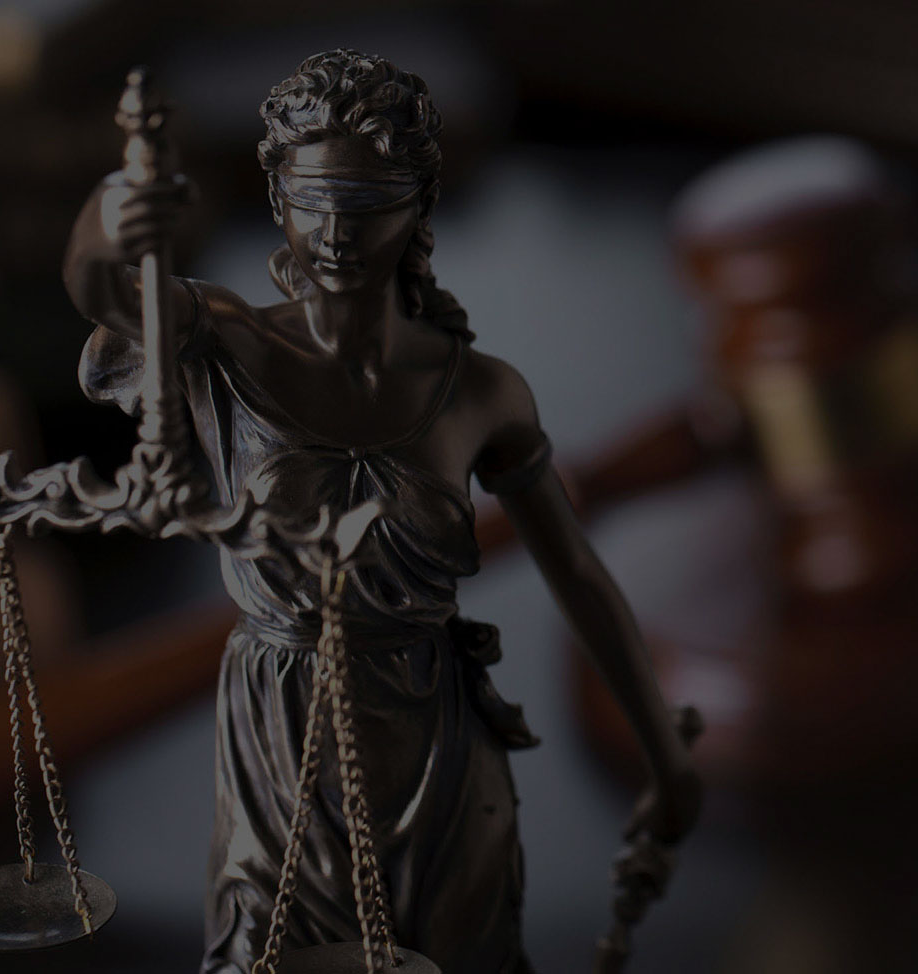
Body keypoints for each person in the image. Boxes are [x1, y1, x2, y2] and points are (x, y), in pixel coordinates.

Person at [61, 49, 701, 974]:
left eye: (367, 204)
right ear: (276, 197)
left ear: (419, 206)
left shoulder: (480, 394)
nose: (335, 233)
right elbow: (104, 290)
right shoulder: (229, 345)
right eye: (310, 200)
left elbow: (577, 573)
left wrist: (663, 750)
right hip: (283, 736)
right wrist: (111, 213)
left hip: (438, 742)